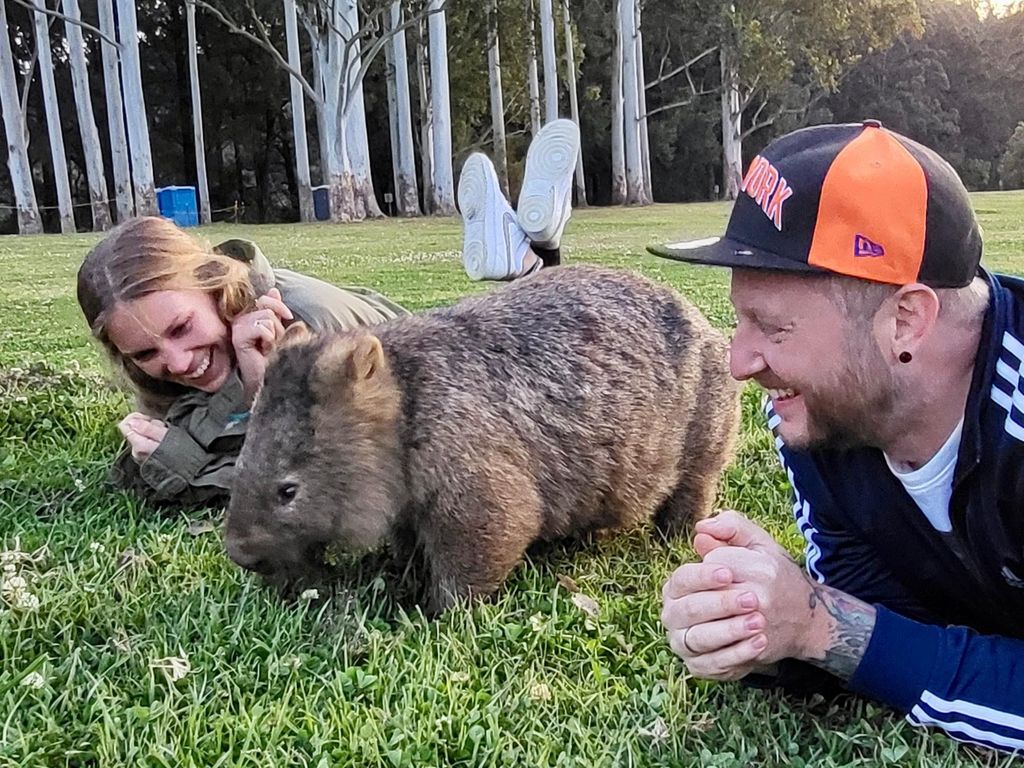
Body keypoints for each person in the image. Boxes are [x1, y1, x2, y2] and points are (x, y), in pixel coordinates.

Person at [655, 119, 1024, 753]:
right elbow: (880, 612)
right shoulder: (821, 414)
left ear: (905, 320)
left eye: (773, 328)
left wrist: (816, 627)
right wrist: (762, 624)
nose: (738, 361)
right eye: (740, 320)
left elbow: (861, 635)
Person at [77, 119, 579, 507]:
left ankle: (532, 265)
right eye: (146, 352)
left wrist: (245, 407)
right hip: (419, 334)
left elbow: (326, 477)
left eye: (181, 329)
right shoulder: (197, 351)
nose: (179, 361)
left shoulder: (305, 334)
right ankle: (532, 254)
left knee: (525, 370)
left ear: (213, 285)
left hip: (418, 357)